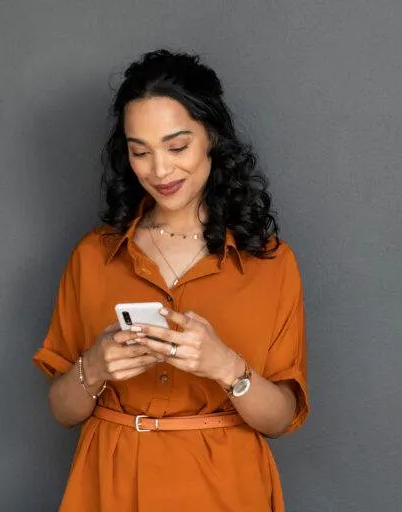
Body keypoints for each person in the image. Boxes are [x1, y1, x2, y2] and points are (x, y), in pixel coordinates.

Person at [32, 49, 309, 511]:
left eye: (177, 147)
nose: (159, 171)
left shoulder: (271, 264)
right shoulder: (93, 256)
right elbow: (61, 410)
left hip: (225, 487)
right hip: (111, 482)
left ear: (212, 137)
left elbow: (280, 419)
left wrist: (224, 366)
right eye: (141, 152)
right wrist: (97, 365)